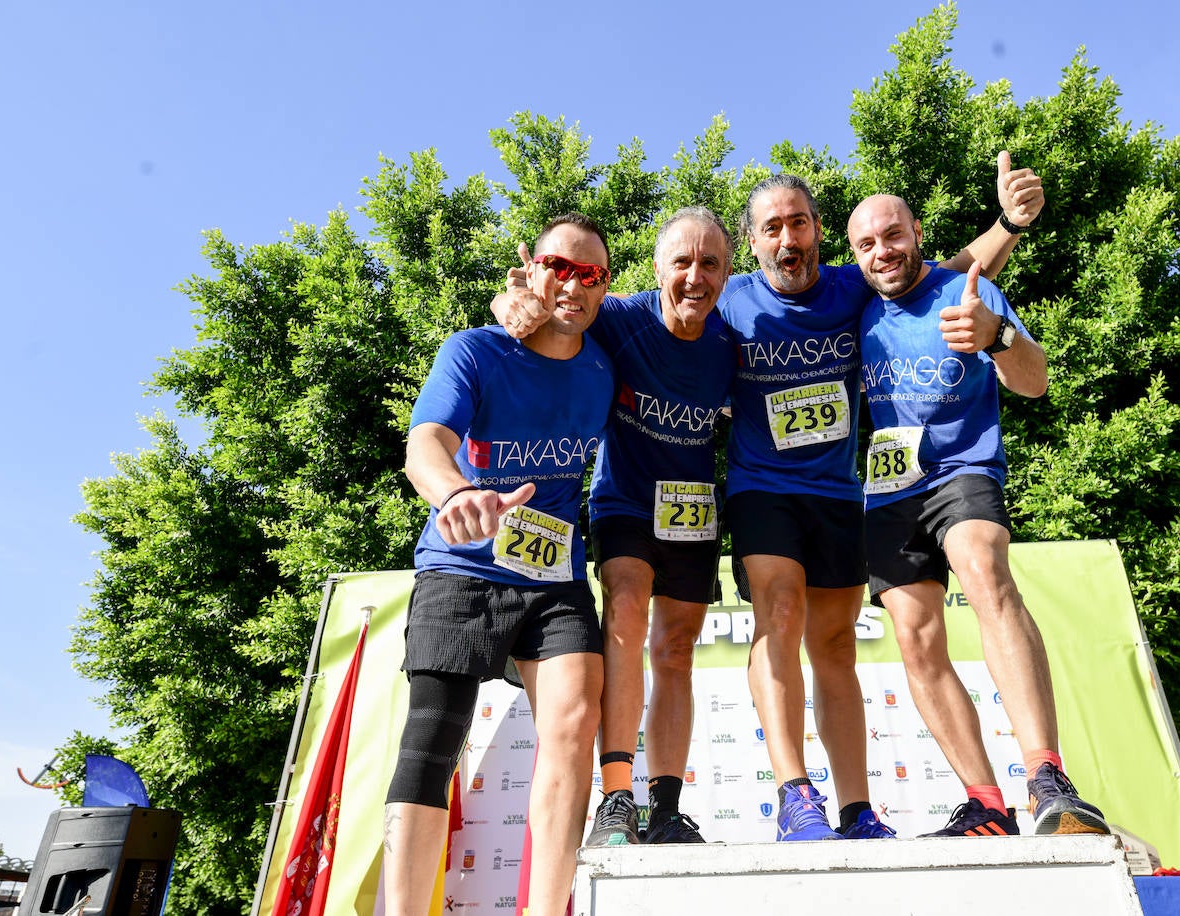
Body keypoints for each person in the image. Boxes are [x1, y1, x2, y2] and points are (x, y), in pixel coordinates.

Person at [718, 152, 1042, 841]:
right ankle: (803, 796)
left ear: (816, 231)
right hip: (774, 489)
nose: (787, 239)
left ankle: (873, 807)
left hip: (851, 490)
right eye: (772, 227)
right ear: (753, 241)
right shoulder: (733, 298)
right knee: (811, 618)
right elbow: (658, 314)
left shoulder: (853, 287)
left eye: (799, 223)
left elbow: (942, 273)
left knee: (851, 637)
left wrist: (1009, 225)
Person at [847, 192, 1108, 838]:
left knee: (984, 569)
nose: (883, 251)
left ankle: (1047, 774)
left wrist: (999, 337)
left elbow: (1036, 381)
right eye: (867, 244)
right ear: (853, 256)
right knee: (914, 637)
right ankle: (986, 803)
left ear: (918, 233)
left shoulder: (967, 291)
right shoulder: (851, 306)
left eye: (894, 235)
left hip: (963, 471)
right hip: (889, 487)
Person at [382, 213, 615, 916]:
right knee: (433, 734)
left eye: (591, 273)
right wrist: (455, 492)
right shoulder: (474, 351)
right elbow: (425, 440)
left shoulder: (608, 357)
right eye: (559, 266)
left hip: (555, 580)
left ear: (606, 286)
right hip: (462, 565)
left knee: (575, 723)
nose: (573, 284)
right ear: (529, 264)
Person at [495, 207, 736, 846]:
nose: (693, 276)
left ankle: (665, 807)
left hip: (694, 509)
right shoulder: (619, 319)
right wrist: (511, 299)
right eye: (680, 261)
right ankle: (617, 797)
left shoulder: (730, 335)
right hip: (624, 500)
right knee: (625, 611)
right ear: (656, 268)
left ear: (728, 273)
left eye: (709, 263)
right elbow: (550, 310)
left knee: (677, 648)